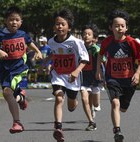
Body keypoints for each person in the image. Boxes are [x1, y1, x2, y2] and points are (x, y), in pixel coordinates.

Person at [0, 6, 42, 134]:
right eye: (11, 20)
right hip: (5, 70)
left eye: (17, 20)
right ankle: (21, 97)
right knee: (11, 94)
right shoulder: (0, 35)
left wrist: (37, 51)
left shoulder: (23, 34)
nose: (14, 22)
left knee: (7, 92)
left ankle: (17, 123)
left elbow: (29, 41)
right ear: (5, 21)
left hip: (19, 68)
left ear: (21, 22)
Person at [96, 10, 140, 142]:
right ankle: (117, 131)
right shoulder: (107, 42)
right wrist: (98, 71)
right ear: (111, 27)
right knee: (114, 103)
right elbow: (100, 55)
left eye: (122, 26)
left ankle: (122, 112)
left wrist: (137, 73)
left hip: (129, 80)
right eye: (116, 25)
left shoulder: (131, 42)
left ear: (126, 27)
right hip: (112, 78)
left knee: (123, 108)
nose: (119, 28)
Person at [47, 8, 89, 142]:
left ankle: (74, 101)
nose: (59, 26)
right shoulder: (51, 42)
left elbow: (85, 59)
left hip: (72, 78)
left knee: (71, 105)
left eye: (62, 24)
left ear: (69, 27)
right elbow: (53, 54)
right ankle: (58, 127)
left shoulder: (76, 42)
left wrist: (76, 71)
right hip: (58, 75)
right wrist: (45, 64)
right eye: (57, 24)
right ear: (54, 26)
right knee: (59, 98)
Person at [80, 23, 101, 131]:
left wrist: (100, 73)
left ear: (93, 37)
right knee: (84, 98)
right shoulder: (79, 48)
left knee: (96, 103)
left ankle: (94, 107)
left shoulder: (96, 49)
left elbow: (102, 61)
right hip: (84, 78)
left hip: (95, 78)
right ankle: (91, 122)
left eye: (89, 34)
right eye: (84, 34)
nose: (86, 35)